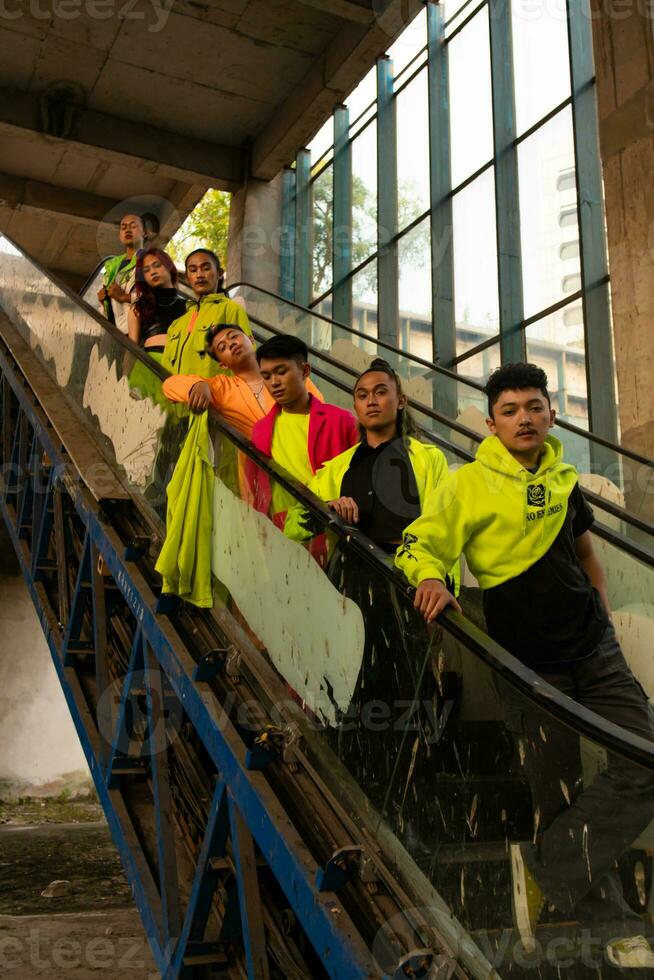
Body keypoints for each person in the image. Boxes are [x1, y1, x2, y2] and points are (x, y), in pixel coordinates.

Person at [395, 362, 654, 967]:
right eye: (509, 411)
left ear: (551, 414)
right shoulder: (465, 484)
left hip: (595, 650)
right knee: (557, 789)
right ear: (491, 423)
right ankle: (614, 922)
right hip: (526, 664)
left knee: (643, 757)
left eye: (533, 407)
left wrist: (603, 610)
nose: (523, 418)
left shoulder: (564, 480)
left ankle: (542, 866)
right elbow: (419, 543)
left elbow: (587, 553)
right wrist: (432, 577)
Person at [285, 358, 451, 838]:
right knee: (351, 694)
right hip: (349, 590)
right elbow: (296, 522)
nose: (372, 400)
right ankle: (353, 810)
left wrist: (442, 590)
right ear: (354, 407)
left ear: (400, 400)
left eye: (381, 392)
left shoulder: (428, 459)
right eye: (362, 395)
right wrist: (326, 510)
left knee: (412, 699)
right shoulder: (338, 467)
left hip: (408, 590)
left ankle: (412, 818)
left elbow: (444, 528)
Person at [249, 335, 359, 528]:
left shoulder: (342, 421)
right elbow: (255, 488)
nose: (273, 382)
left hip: (334, 527)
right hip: (283, 531)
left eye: (281, 372)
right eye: (266, 376)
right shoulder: (260, 430)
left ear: (305, 370)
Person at [162, 325, 323, 440]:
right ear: (223, 364)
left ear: (250, 338)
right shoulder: (223, 387)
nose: (231, 344)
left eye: (234, 337)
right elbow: (169, 385)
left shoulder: (285, 370)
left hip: (305, 455)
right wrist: (195, 385)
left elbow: (319, 408)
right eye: (222, 347)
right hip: (259, 474)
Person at [160, 248, 250, 380]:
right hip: (177, 399)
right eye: (193, 270)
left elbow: (246, 363)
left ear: (219, 273)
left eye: (206, 268)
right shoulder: (177, 324)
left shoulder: (230, 309)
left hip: (215, 398)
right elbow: (165, 372)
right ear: (187, 278)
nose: (199, 275)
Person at [128, 248, 186, 362]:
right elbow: (131, 350)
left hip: (181, 366)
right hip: (149, 367)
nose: (152, 272)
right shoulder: (139, 307)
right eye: (146, 270)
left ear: (169, 266)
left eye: (157, 265)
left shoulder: (189, 306)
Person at [97, 213, 145, 332]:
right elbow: (111, 311)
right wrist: (104, 302)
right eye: (123, 227)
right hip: (115, 334)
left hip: (139, 331)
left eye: (133, 226)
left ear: (145, 232)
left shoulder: (151, 261)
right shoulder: (112, 266)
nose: (127, 230)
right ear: (120, 235)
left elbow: (159, 298)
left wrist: (124, 297)